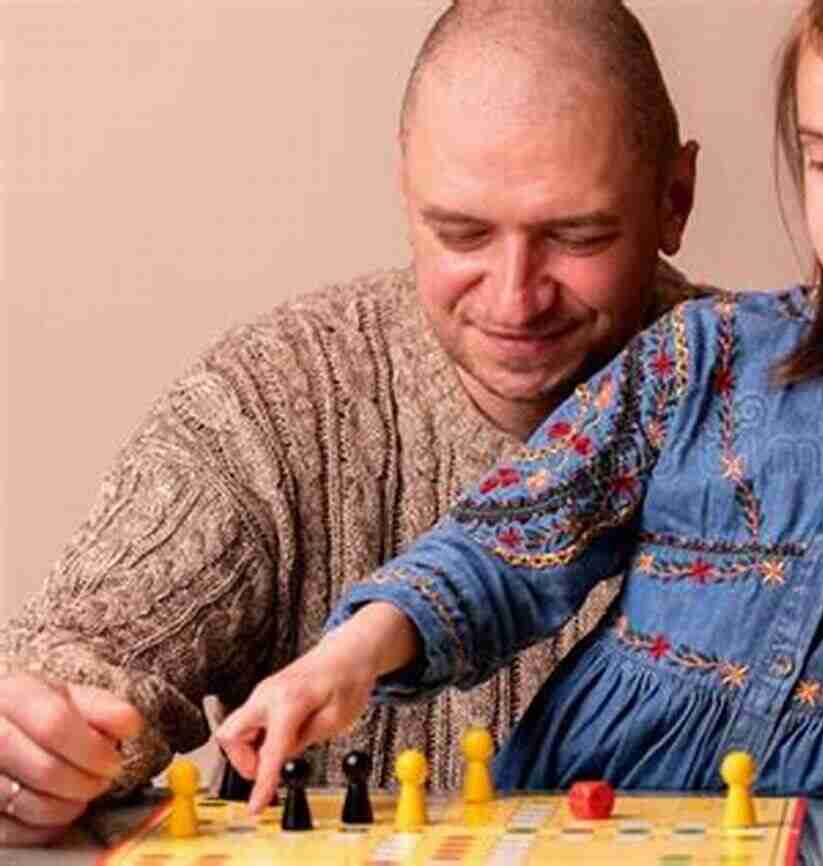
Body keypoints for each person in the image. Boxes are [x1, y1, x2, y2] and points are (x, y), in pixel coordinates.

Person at [217, 0, 823, 846]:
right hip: (584, 817)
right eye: (821, 159)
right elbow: (507, 541)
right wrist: (343, 658)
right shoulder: (703, 352)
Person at [0, 0, 703, 847]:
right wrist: (40, 743)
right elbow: (77, 654)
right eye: (462, 232)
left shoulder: (792, 406)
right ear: (406, 188)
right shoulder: (275, 399)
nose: (516, 297)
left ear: (675, 198)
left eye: (577, 235)